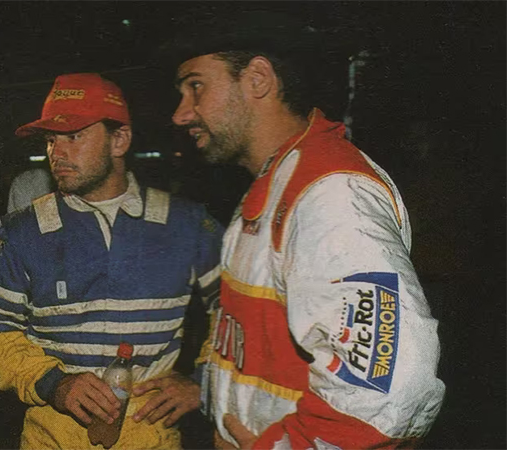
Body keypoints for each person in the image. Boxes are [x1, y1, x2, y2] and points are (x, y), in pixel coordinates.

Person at [166, 12, 446, 449]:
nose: (180, 114)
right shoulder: (275, 182)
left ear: (257, 79)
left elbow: (387, 390)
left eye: (196, 86)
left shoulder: (330, 193)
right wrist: (208, 392)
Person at [0, 73, 224, 449]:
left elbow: (237, 311)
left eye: (73, 136)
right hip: (53, 438)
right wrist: (54, 384)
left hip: (148, 435)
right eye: (51, 140)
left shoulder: (185, 224)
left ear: (120, 140)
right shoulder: (23, 230)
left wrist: (205, 382)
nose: (57, 153)